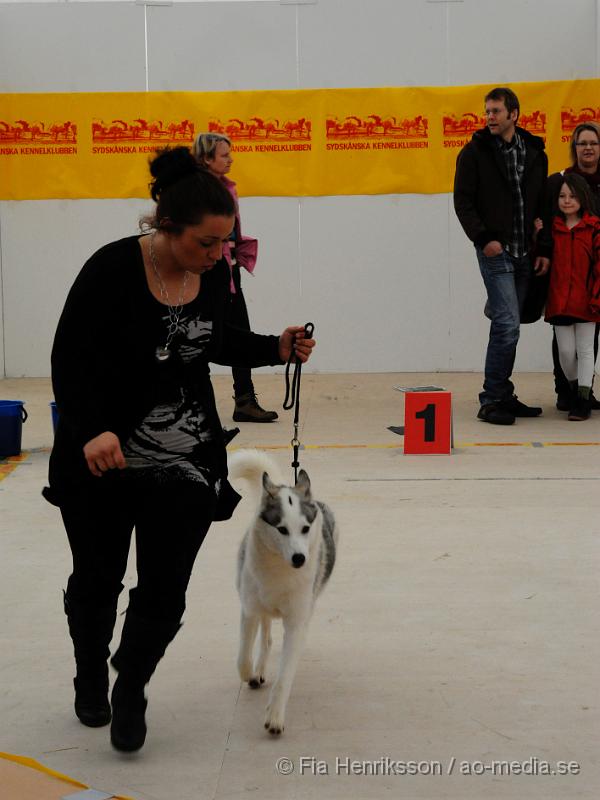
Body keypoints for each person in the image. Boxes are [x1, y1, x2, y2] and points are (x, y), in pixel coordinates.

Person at [42, 146, 315, 753]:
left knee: (165, 591)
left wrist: (277, 346)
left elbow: (213, 338)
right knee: (98, 578)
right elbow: (69, 357)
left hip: (187, 458)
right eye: (206, 243)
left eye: (224, 244)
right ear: (165, 227)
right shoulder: (111, 269)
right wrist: (90, 428)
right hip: (102, 457)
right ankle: (91, 669)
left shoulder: (211, 273)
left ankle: (131, 682)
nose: (219, 256)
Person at [453, 87, 551, 425]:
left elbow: (540, 202)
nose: (489, 118)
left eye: (496, 111)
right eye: (487, 112)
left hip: (526, 251)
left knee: (513, 322)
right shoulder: (473, 153)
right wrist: (484, 239)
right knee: (507, 324)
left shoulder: (536, 150)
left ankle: (504, 393)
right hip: (496, 252)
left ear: (514, 114)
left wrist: (543, 245)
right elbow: (463, 202)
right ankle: (491, 398)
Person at [192, 132, 278, 424]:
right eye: (224, 155)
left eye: (230, 153)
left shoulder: (226, 188)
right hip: (206, 274)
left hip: (229, 272)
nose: (230, 159)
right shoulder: (195, 191)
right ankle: (197, 402)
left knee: (241, 333)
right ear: (206, 159)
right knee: (200, 334)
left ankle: (244, 401)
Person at [546, 122, 600, 410]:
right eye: (582, 143)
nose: (588, 148)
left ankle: (584, 394)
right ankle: (565, 390)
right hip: (562, 293)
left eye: (593, 142)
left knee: (588, 344)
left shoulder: (593, 225)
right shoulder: (562, 180)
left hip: (591, 282)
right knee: (565, 347)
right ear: (574, 148)